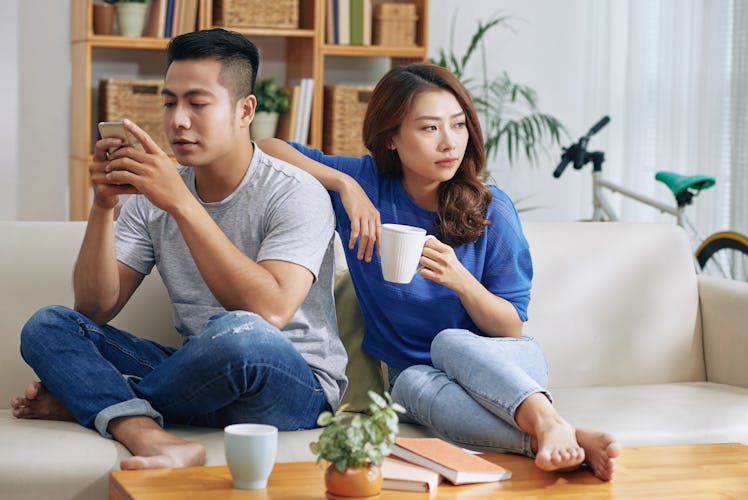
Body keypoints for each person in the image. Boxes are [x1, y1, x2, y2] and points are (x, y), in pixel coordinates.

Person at [258, 62, 621, 481]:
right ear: (392, 137)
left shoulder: (492, 210)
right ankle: (556, 437)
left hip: (504, 366)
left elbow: (511, 329)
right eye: (429, 128)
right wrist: (345, 186)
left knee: (448, 342)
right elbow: (266, 148)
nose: (450, 143)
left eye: (458, 125)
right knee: (407, 384)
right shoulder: (367, 185)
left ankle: (546, 418)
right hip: (424, 380)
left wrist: (461, 282)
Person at [10, 28, 347, 470]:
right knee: (48, 325)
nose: (177, 120)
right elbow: (93, 308)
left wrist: (182, 204)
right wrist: (104, 205)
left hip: (291, 384)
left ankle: (97, 403)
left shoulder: (295, 192)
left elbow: (269, 313)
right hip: (199, 376)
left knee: (239, 333)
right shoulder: (153, 197)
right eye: (170, 102)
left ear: (245, 110)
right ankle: (146, 432)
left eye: (197, 103)